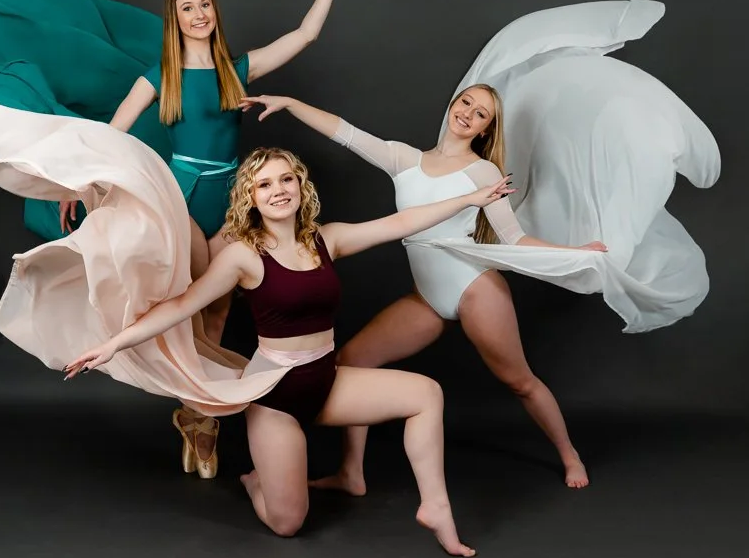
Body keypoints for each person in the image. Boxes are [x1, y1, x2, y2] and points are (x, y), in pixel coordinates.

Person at [0, 0, 346, 475]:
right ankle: (199, 407)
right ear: (175, 20)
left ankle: (199, 419)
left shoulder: (235, 70)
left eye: (204, 5)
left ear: (214, 12)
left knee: (218, 308)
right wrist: (80, 185)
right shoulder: (161, 76)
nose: (198, 14)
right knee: (192, 307)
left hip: (234, 201)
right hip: (183, 198)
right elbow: (117, 132)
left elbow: (305, 35)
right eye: (187, 8)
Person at [63, 145, 512, 556]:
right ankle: (257, 479)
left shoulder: (326, 239)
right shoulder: (243, 256)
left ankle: (436, 508)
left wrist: (469, 200)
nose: (278, 190)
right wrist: (113, 344)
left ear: (300, 185)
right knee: (288, 524)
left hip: (328, 382)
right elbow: (181, 305)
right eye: (264, 184)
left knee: (426, 394)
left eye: (285, 180)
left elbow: (398, 224)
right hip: (276, 397)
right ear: (250, 198)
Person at [240, 89, 604, 490]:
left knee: (519, 381)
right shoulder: (403, 159)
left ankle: (570, 455)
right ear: (452, 103)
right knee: (353, 358)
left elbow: (515, 239)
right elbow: (345, 133)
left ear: (486, 128)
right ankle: (351, 474)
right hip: (426, 297)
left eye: (481, 114)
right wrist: (291, 104)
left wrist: (577, 252)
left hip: (474, 287)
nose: (469, 114)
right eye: (466, 103)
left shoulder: (483, 172)